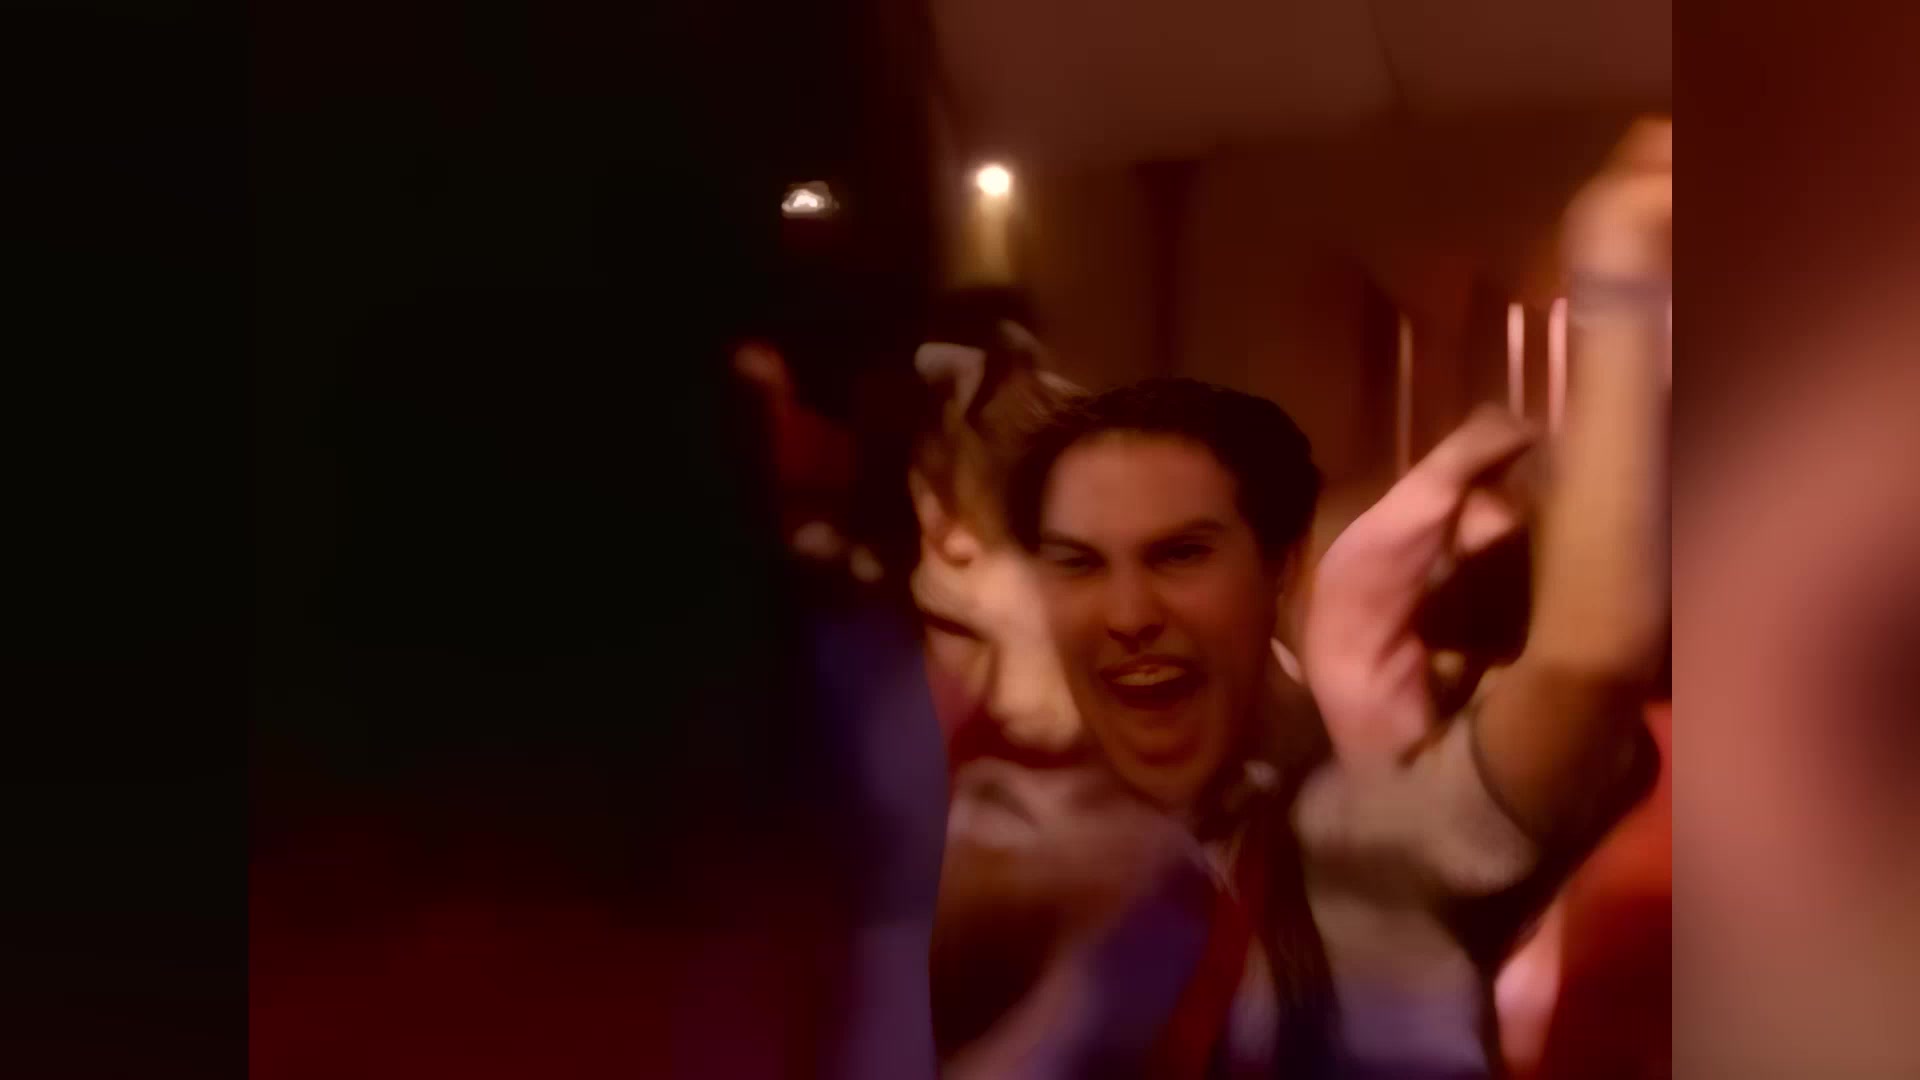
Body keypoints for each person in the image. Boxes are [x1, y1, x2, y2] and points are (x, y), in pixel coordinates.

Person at [998, 120, 1670, 1079]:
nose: (1129, 613)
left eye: (1181, 556)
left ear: (1279, 573)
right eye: (1078, 564)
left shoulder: (1357, 850)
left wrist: (1620, 277)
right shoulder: (985, 838)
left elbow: (1586, 659)